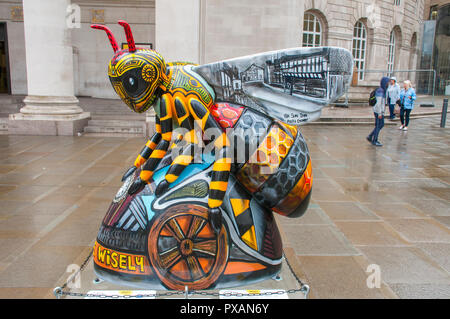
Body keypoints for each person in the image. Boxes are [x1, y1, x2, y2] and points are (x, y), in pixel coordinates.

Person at [367, 76, 390, 146]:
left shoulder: (383, 90)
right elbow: (378, 103)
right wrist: (380, 113)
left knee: (381, 124)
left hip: (379, 111)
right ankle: (374, 140)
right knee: (378, 125)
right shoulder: (380, 91)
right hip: (378, 112)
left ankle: (370, 136)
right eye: (387, 82)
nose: (388, 84)